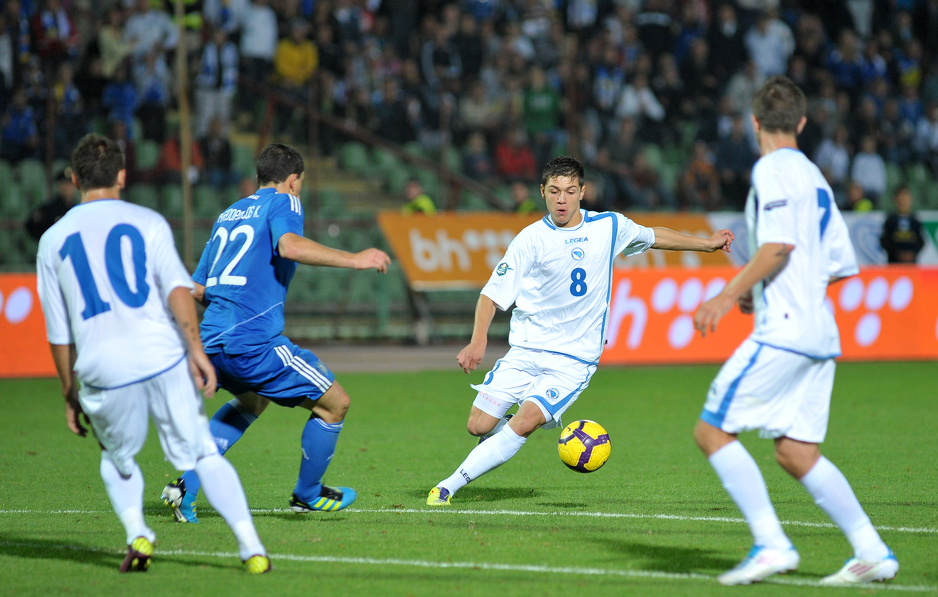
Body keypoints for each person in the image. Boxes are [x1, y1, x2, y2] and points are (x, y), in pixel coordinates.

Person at [426, 155, 734, 507]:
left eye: (570, 191)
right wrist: (477, 340)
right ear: (542, 192)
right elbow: (491, 294)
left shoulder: (608, 226)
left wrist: (707, 243)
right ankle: (511, 428)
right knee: (478, 426)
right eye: (554, 191)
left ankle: (447, 487)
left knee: (527, 420)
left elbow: (654, 236)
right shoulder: (530, 240)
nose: (562, 199)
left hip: (574, 358)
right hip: (527, 349)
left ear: (582, 192)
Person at [692, 76, 898, 586]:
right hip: (819, 331)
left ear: (754, 122)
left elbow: (779, 245)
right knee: (795, 451)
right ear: (803, 123)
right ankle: (872, 551)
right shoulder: (815, 176)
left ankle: (770, 544)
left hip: (784, 330)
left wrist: (726, 293)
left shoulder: (772, 170)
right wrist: (755, 291)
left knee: (712, 430)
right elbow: (833, 264)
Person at [35, 134, 269, 574]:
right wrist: (196, 350)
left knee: (117, 459)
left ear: (74, 178)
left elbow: (59, 331)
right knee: (201, 454)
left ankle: (138, 532)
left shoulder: (52, 240)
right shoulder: (148, 222)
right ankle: (251, 547)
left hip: (102, 366)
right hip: (162, 356)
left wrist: (69, 392)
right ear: (123, 176)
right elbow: (178, 290)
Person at [161, 143, 391, 523]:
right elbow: (289, 245)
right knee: (335, 404)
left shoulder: (228, 214)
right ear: (293, 180)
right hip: (250, 342)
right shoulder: (284, 201)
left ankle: (186, 486)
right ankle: (308, 494)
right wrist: (355, 259)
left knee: (253, 401)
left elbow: (196, 288)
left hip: (213, 339)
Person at [24, 166, 76, 240]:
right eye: (64, 184)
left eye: (70, 184)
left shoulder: (77, 208)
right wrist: (45, 241)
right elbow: (31, 225)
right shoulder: (49, 208)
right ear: (59, 185)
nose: (67, 187)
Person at [880, 185, 925, 263]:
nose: (903, 201)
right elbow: (884, 241)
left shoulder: (915, 221)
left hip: (911, 264)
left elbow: (921, 241)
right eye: (900, 198)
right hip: (894, 263)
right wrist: (897, 253)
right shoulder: (890, 221)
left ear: (910, 199)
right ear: (895, 200)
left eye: (905, 198)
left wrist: (912, 253)